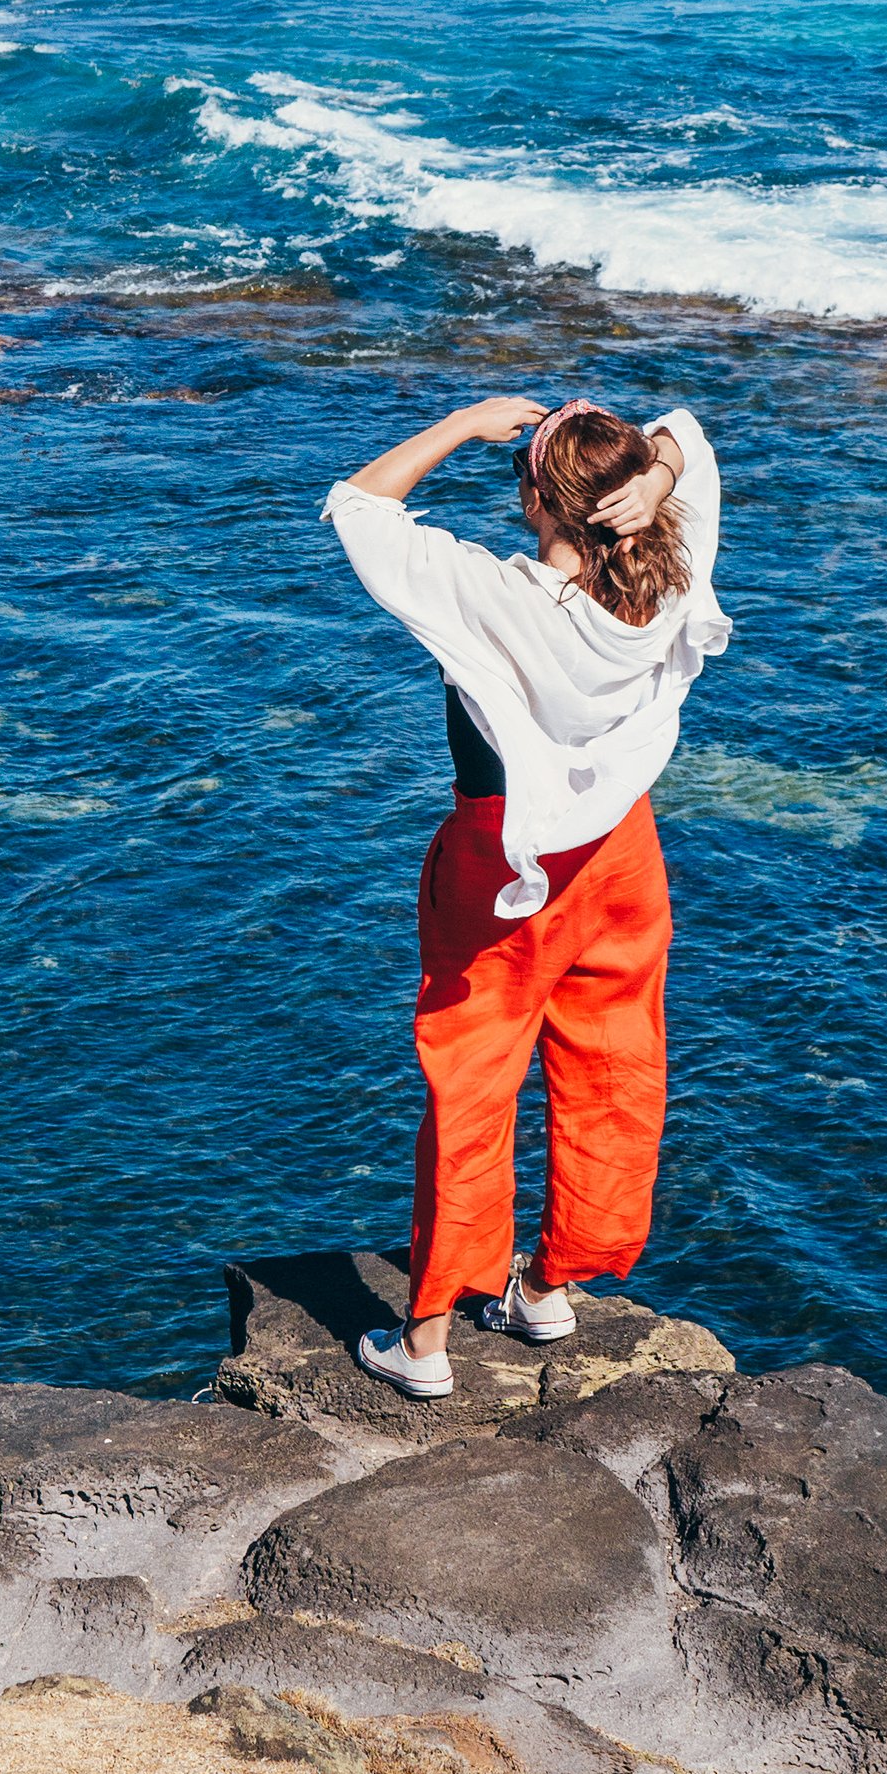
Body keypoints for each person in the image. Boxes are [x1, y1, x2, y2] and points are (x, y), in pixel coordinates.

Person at [321, 391, 727, 1398]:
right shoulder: (671, 567)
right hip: (621, 854)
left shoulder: (490, 593)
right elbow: (688, 435)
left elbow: (357, 503)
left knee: (471, 1084)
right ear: (630, 497)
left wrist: (463, 421)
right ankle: (545, 1287)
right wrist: (659, 478)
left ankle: (423, 1344)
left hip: (503, 862)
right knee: (610, 1064)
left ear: (535, 499)